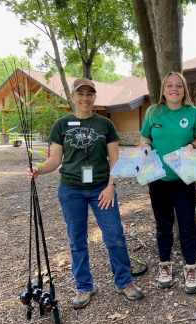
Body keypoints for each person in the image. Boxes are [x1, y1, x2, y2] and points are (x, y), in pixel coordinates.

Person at [26, 78, 144, 309]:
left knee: (115, 236)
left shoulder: (105, 125)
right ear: (72, 97)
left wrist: (111, 186)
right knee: (77, 240)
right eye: (81, 94)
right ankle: (84, 285)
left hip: (102, 188)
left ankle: (124, 281)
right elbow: (55, 159)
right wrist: (39, 170)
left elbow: (114, 159)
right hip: (71, 190)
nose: (85, 98)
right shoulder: (61, 125)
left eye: (90, 94)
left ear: (94, 97)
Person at [139, 72, 196, 294]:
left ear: (184, 89)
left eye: (179, 85)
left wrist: (193, 146)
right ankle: (165, 265)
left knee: (187, 223)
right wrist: (146, 147)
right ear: (163, 89)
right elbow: (145, 137)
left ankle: (190, 267)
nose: (174, 89)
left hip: (183, 178)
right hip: (158, 177)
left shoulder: (193, 113)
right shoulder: (153, 111)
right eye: (170, 85)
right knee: (163, 224)